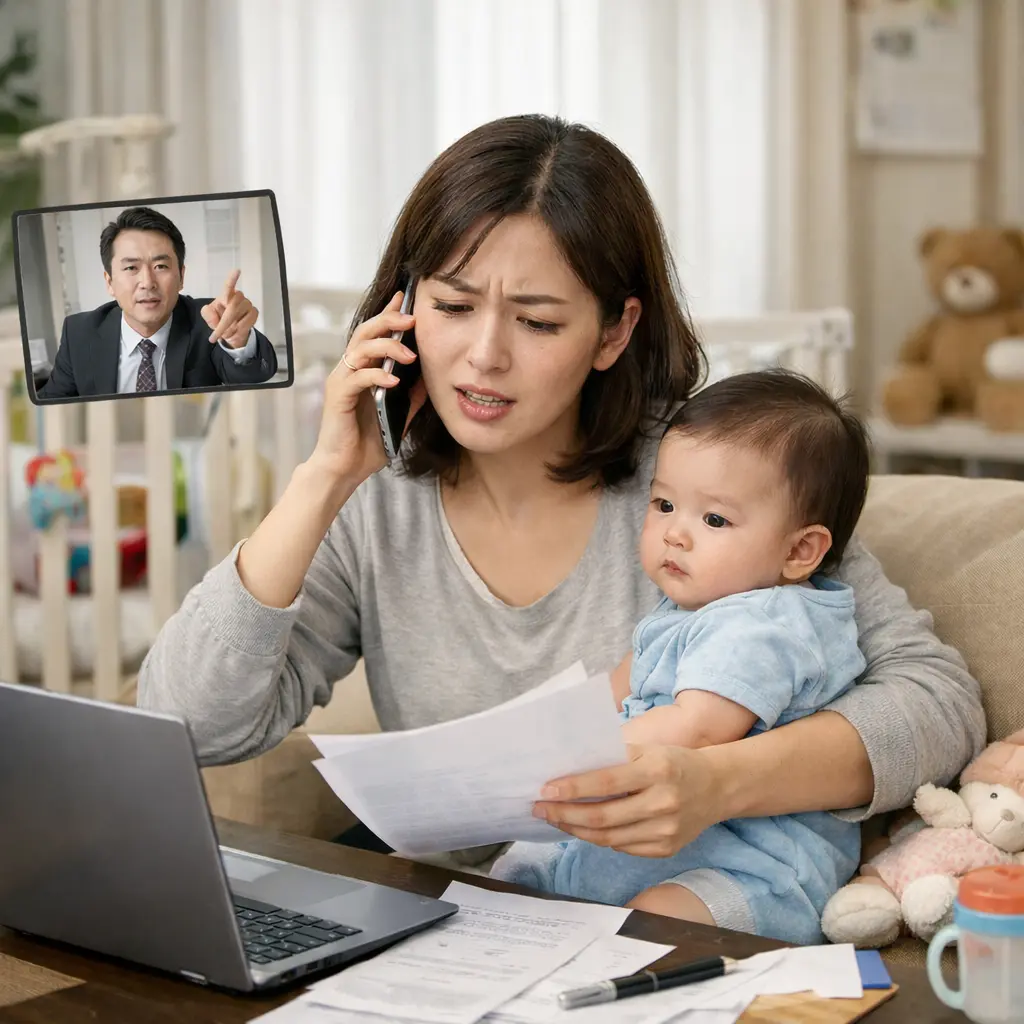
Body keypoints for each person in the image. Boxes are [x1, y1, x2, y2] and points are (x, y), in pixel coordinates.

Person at [136, 113, 986, 936]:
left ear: (614, 331)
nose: (485, 356)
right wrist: (323, 479)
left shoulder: (708, 481)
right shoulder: (375, 498)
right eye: (454, 306)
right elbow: (188, 723)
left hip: (664, 912)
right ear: (403, 307)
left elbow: (938, 704)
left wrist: (718, 781)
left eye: (538, 321)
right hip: (467, 927)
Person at [490, 368, 872, 943]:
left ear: (800, 551)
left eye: (713, 519)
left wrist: (570, 762)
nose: (675, 533)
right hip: (641, 843)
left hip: (748, 867)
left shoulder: (767, 623)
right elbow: (608, 693)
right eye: (664, 504)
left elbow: (696, 729)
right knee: (510, 876)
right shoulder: (681, 612)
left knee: (657, 921)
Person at [36, 206, 278, 399]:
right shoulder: (79, 332)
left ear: (181, 276)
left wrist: (237, 340)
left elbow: (253, 379)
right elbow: (51, 405)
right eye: (131, 267)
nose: (147, 282)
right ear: (109, 282)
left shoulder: (210, 319)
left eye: (160, 266)